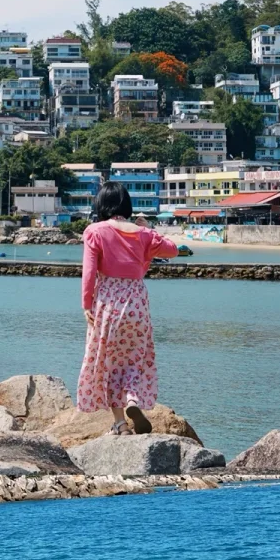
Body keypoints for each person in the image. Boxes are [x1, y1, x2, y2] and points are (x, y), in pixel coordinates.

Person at [76, 182, 179, 435]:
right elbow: (173, 250)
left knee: (109, 362)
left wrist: (86, 304)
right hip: (137, 301)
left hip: (109, 301)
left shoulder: (95, 231)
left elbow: (89, 273)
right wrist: (148, 229)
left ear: (101, 205)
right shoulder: (143, 234)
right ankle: (133, 399)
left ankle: (120, 423)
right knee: (134, 359)